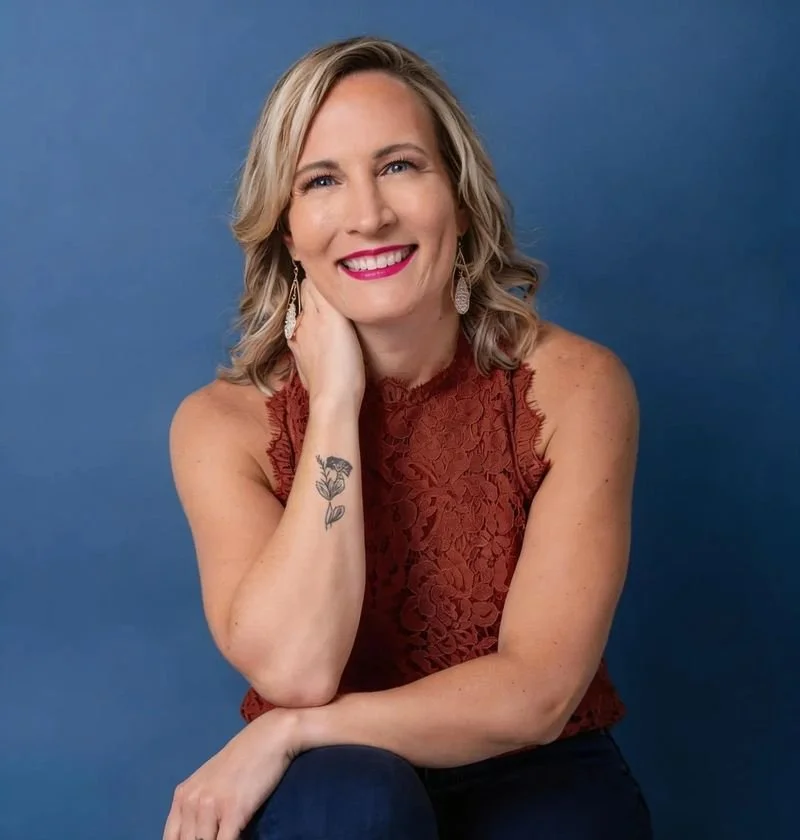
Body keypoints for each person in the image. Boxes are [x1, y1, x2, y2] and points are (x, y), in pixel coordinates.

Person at [163, 35, 653, 840]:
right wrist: (335, 401)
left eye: (398, 166)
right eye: (322, 181)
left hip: (535, 763)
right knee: (358, 801)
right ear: (287, 231)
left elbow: (540, 694)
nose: (369, 215)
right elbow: (296, 669)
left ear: (458, 197)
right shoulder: (222, 426)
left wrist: (290, 731)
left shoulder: (575, 387)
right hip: (339, 786)